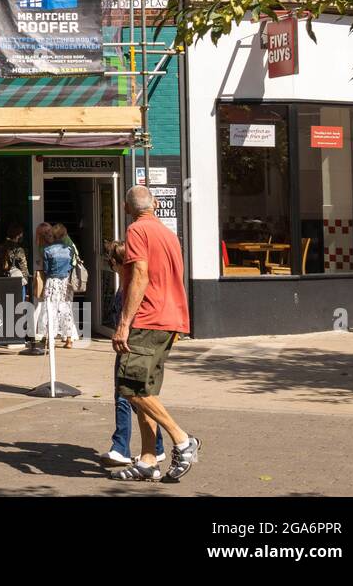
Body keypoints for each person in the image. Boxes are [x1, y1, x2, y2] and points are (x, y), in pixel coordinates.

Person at [111, 185, 199, 482]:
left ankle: (183, 440)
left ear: (126, 208)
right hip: (171, 318)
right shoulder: (169, 234)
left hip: (149, 319)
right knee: (143, 389)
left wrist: (124, 323)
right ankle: (148, 459)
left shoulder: (136, 230)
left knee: (130, 387)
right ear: (157, 203)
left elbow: (140, 274)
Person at [100, 240, 165, 467]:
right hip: (129, 344)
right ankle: (156, 447)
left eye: (111, 262)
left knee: (126, 396)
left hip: (132, 345)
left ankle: (121, 448)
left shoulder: (132, 285)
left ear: (116, 263)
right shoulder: (127, 283)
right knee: (138, 399)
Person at [34, 222, 79, 348]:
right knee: (66, 310)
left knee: (50, 309)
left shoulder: (48, 250)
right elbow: (71, 265)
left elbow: (47, 269)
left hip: (52, 281)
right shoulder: (69, 250)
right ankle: (69, 339)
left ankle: (50, 338)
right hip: (65, 281)